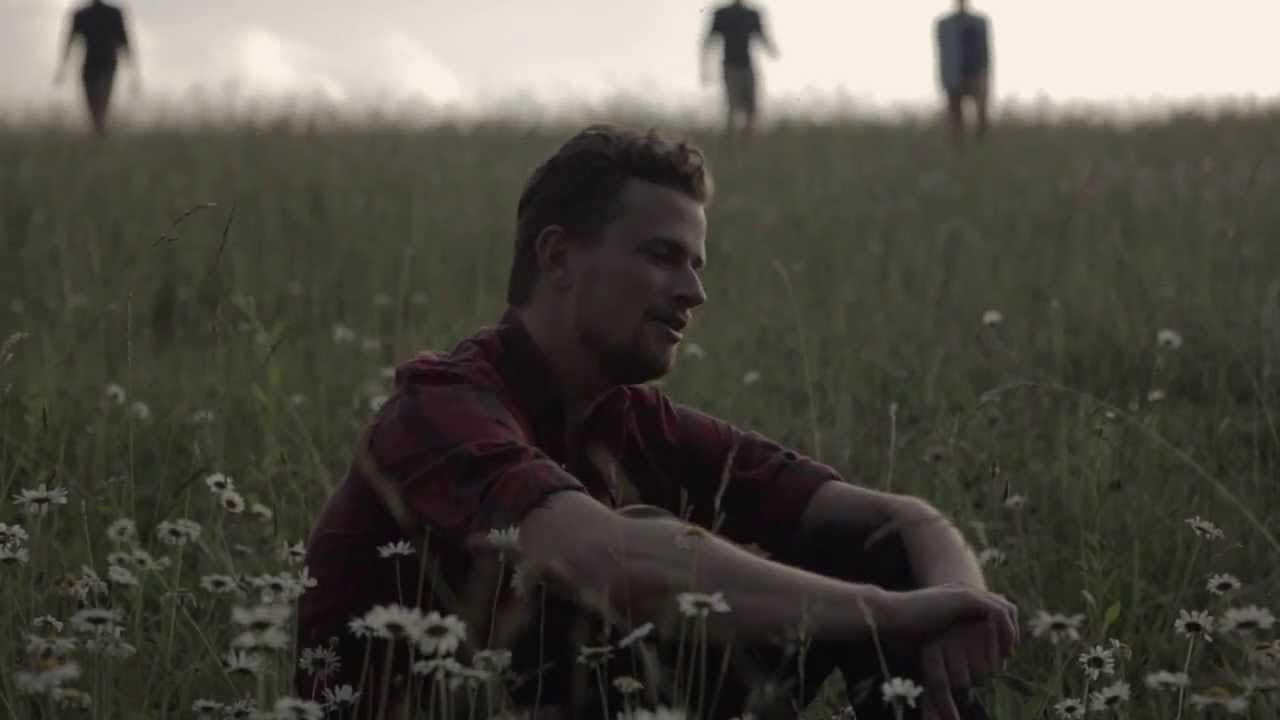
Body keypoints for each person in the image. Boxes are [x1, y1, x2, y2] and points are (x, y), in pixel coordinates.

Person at [296, 124, 1018, 720]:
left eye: (696, 265)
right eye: (662, 256)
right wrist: (892, 615)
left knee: (873, 552)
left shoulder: (631, 419)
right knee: (649, 550)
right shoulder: (440, 408)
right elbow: (603, 559)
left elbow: (902, 520)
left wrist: (958, 612)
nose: (694, 292)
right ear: (558, 258)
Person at [54, 0, 138, 135]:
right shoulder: (109, 14)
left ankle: (98, 131)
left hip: (101, 64)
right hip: (98, 64)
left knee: (98, 102)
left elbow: (125, 42)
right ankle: (99, 131)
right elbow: (125, 43)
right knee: (96, 103)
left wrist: (62, 67)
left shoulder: (85, 15)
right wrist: (133, 70)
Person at [700, 1, 779, 137]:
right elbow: (708, 41)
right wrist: (705, 68)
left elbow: (762, 36)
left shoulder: (751, 15)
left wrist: (772, 50)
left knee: (751, 110)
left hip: (746, 67)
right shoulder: (723, 14)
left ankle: (745, 143)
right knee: (733, 108)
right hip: (730, 68)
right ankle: (730, 143)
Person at [935, 0, 992, 146]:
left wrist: (985, 73)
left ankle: (981, 145)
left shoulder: (979, 23)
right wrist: (945, 77)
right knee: (955, 117)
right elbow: (942, 52)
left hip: (975, 73)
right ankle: (958, 148)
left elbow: (985, 50)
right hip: (954, 75)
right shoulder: (945, 24)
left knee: (981, 114)